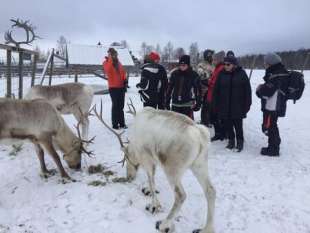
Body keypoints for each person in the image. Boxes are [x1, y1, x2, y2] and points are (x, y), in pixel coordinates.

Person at [212, 55, 252, 152]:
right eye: (224, 64)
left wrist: (247, 105)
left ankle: (240, 141)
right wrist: (215, 104)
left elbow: (248, 91)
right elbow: (216, 90)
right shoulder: (221, 74)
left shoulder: (241, 74)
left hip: (237, 106)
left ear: (234, 65)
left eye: (228, 64)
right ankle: (231, 141)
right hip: (224, 105)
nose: (225, 66)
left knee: (238, 126)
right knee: (228, 125)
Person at [256, 53, 289, 156]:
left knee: (271, 126)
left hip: (273, 106)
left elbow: (268, 91)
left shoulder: (276, 74)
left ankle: (273, 149)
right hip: (276, 104)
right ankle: (274, 145)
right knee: (272, 125)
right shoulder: (279, 72)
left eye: (266, 62)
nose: (264, 64)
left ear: (271, 63)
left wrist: (259, 90)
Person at [166, 55, 201, 119]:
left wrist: (198, 103)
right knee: (174, 124)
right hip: (175, 104)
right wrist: (167, 101)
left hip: (187, 104)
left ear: (188, 65)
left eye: (184, 65)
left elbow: (198, 90)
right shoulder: (174, 74)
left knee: (187, 126)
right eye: (180, 65)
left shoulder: (194, 75)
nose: (182, 67)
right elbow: (169, 88)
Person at [103, 48, 128, 129]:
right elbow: (108, 70)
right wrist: (110, 59)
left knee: (121, 106)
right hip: (113, 88)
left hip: (121, 88)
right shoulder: (106, 62)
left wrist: (125, 80)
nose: (114, 56)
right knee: (115, 106)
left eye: (115, 54)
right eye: (111, 54)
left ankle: (122, 123)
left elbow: (123, 72)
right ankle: (115, 124)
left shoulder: (119, 63)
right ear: (109, 55)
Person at [207, 51, 226, 141]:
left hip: (216, 97)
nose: (213, 61)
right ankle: (220, 133)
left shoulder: (221, 69)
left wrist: (207, 82)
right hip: (212, 95)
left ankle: (220, 134)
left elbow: (216, 83)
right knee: (214, 116)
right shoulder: (217, 68)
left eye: (214, 59)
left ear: (218, 60)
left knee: (215, 116)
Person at [197, 49, 215, 126]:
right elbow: (200, 73)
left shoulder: (213, 65)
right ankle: (204, 121)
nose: (210, 57)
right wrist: (210, 76)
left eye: (211, 55)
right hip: (204, 88)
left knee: (211, 105)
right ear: (206, 56)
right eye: (209, 55)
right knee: (205, 105)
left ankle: (210, 120)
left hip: (212, 88)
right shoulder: (201, 65)